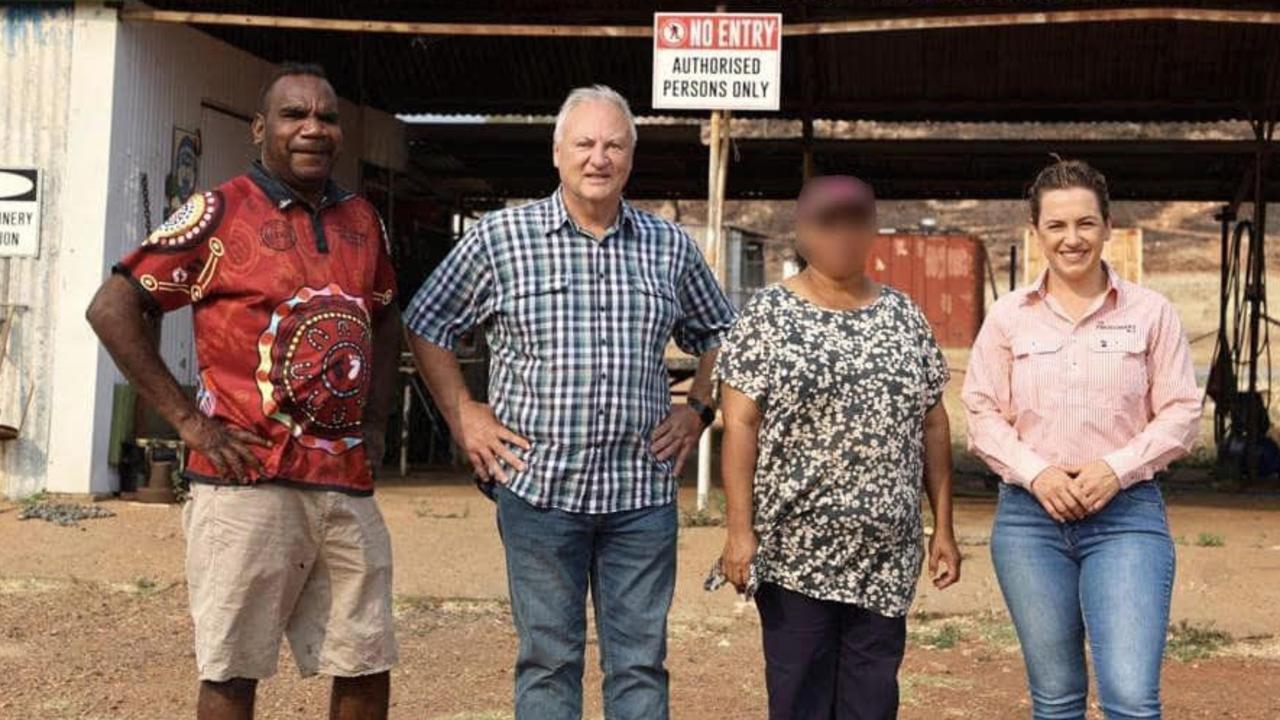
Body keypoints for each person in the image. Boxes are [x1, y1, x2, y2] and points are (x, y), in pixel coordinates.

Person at [403, 85, 736, 720]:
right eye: (584, 143)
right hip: (538, 491)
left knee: (639, 666)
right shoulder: (501, 239)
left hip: (639, 495)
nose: (598, 157)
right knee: (549, 663)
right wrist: (464, 414)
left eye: (614, 144)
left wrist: (697, 409)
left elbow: (722, 332)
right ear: (557, 154)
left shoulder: (668, 247)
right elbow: (428, 322)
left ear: (631, 158)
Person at [86, 63, 401, 720]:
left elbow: (386, 314)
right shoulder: (217, 211)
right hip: (245, 484)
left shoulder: (362, 220)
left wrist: (374, 420)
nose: (313, 127)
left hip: (345, 484)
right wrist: (188, 422)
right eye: (294, 115)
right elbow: (114, 307)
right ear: (260, 128)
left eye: (327, 116)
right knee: (233, 669)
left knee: (366, 660)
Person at [712, 175, 962, 720]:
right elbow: (740, 426)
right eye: (827, 221)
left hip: (884, 554)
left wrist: (941, 526)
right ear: (801, 233)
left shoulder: (904, 317)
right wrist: (738, 532)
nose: (843, 233)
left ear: (873, 228)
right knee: (800, 698)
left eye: (856, 219)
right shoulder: (766, 317)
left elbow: (933, 425)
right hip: (795, 555)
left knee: (871, 702)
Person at [962, 159, 1202, 719]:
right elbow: (981, 412)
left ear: (1108, 227)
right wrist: (1037, 473)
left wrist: (1115, 468)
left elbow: (1181, 412)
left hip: (1125, 518)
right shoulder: (1007, 318)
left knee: (1131, 698)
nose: (1073, 239)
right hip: (1029, 521)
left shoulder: (1151, 313)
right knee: (1056, 699)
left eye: (1086, 224)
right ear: (1037, 232)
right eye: (1057, 226)